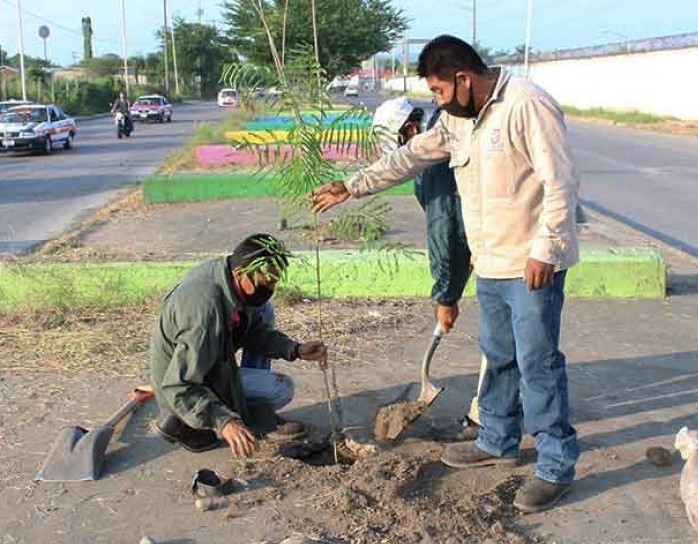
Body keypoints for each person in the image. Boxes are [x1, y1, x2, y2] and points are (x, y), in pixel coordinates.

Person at [312, 35, 581, 512]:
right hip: (491, 264)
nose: (435, 102)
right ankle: (496, 440)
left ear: (463, 79)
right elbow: (410, 155)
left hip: (530, 263)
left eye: (437, 91)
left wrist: (547, 248)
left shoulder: (526, 105)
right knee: (498, 355)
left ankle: (554, 467)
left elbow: (560, 182)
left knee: (537, 364)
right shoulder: (456, 120)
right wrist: (351, 186)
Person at [150, 233, 328, 459]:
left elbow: (252, 331)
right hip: (179, 388)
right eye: (267, 282)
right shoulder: (204, 309)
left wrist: (293, 349)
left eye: (274, 280)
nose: (272, 288)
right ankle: (179, 420)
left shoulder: (229, 277)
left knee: (264, 309)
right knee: (280, 389)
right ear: (240, 274)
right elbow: (178, 384)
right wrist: (224, 421)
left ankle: (243, 412)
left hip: (208, 362)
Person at [372, 96, 481, 439]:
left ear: (410, 129)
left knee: (503, 341)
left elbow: (445, 229)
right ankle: (493, 417)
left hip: (516, 248)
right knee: (506, 341)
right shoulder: (444, 130)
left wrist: (446, 298)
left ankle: (488, 423)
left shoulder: (433, 160)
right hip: (498, 240)